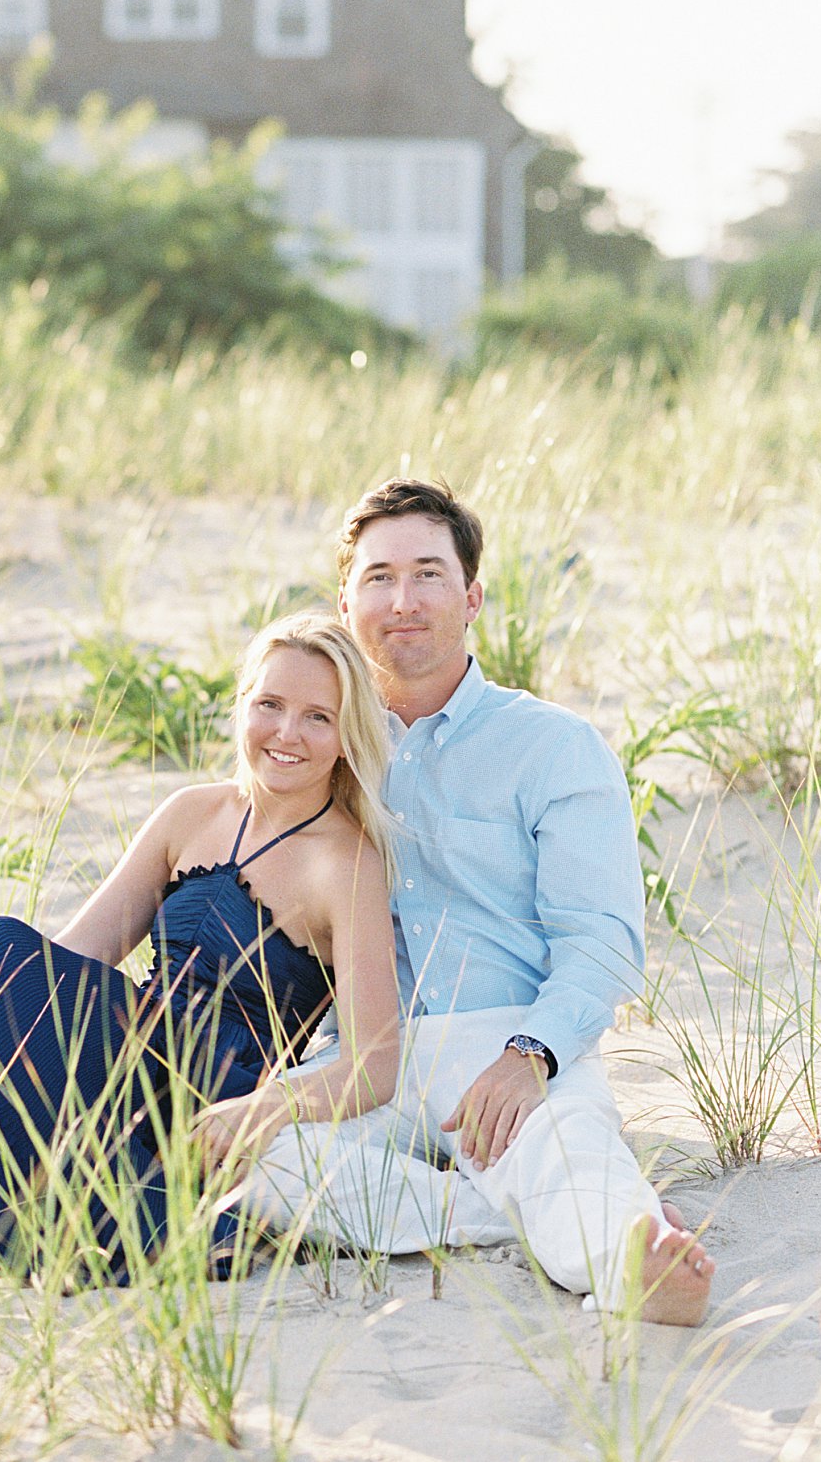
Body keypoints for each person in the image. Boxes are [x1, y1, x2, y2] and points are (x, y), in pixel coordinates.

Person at [0, 614, 404, 1288]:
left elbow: (375, 1061)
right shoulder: (194, 811)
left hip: (199, 1091)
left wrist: (263, 1108)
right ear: (244, 704)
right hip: (121, 1046)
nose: (287, 733)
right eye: (270, 704)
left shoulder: (346, 862)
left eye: (318, 716)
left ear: (347, 735)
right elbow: (75, 955)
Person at [242, 478, 714, 1327]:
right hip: (362, 1051)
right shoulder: (319, 742)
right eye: (379, 578)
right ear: (346, 604)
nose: (404, 599)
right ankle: (493, 1215)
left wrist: (529, 1054)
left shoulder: (553, 747)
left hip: (506, 1034)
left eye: (428, 573)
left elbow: (602, 941)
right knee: (262, 1160)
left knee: (560, 1149)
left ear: (473, 596)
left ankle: (632, 1258)